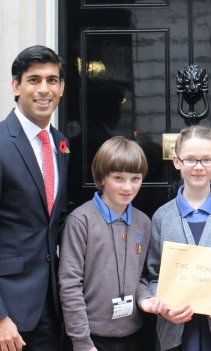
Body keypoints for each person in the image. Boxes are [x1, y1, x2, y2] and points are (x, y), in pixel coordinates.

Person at [0, 45, 70, 351]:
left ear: (61, 87)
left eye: (52, 80)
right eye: (33, 80)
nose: (43, 89)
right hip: (5, 309)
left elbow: (50, 222)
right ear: (16, 86)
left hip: (48, 306)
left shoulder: (60, 144)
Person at [59, 137, 168, 351]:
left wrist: (145, 298)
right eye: (118, 178)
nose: (127, 187)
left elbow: (141, 276)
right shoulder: (81, 221)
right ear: (101, 178)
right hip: (91, 338)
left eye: (135, 178)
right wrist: (82, 343)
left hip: (133, 335)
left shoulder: (143, 222)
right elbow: (70, 285)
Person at [146, 125, 211, 351]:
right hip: (177, 333)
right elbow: (154, 275)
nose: (198, 167)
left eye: (206, 160)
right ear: (177, 161)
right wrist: (163, 305)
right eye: (190, 159)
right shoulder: (162, 217)